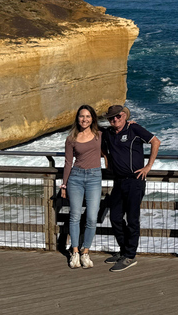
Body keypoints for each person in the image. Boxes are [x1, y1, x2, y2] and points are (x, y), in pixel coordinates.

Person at [100, 104, 161, 272]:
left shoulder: (134, 129)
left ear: (124, 116)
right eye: (111, 118)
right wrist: (106, 157)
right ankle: (124, 251)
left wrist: (148, 166)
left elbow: (156, 142)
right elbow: (95, 136)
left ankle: (130, 256)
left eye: (118, 116)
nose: (115, 120)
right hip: (118, 181)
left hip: (135, 180)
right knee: (115, 218)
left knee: (132, 219)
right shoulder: (109, 133)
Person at [61, 104, 105, 269]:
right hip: (76, 178)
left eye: (87, 116)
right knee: (75, 216)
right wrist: (64, 185)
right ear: (77, 118)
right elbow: (67, 163)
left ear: (92, 118)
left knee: (92, 217)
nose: (84, 119)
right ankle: (75, 252)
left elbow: (118, 132)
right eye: (81, 116)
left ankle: (85, 251)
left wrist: (131, 124)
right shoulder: (71, 137)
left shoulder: (100, 134)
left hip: (94, 177)